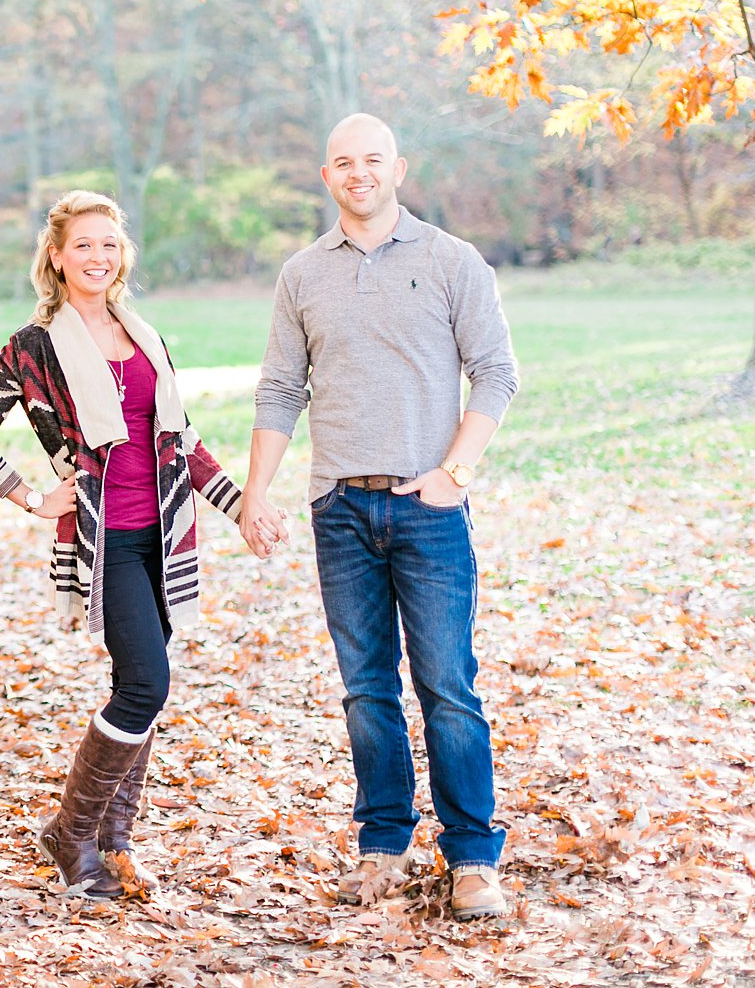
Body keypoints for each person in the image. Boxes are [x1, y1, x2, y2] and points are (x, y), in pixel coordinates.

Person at [0, 190, 276, 900]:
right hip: (108, 543)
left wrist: (241, 508)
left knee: (140, 688)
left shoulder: (146, 335)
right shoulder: (33, 347)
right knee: (145, 684)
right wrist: (33, 497)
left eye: (109, 243)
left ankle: (114, 839)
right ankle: (70, 832)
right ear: (57, 259)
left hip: (165, 533)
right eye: (83, 245)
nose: (98, 256)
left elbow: (180, 443)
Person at [238, 113, 520, 921]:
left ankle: (472, 858)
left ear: (399, 166)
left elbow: (497, 372)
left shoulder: (450, 261)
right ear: (326, 177)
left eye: (371, 159)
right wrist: (259, 490)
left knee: (447, 687)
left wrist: (455, 473)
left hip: (428, 509)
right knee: (366, 690)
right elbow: (280, 389)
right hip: (340, 508)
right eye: (341, 162)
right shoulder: (302, 274)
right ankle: (383, 843)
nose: (357, 172)